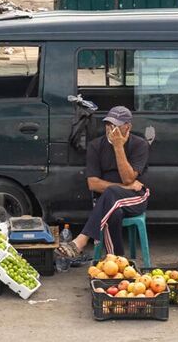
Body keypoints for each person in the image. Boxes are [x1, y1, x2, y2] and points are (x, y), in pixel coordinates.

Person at [57, 106, 150, 258]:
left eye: (116, 126)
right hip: (109, 199)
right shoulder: (95, 146)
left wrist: (118, 146)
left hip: (135, 197)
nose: (111, 129)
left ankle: (81, 240)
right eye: (108, 124)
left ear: (128, 126)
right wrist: (124, 186)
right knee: (112, 211)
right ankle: (117, 260)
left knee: (109, 195)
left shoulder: (139, 144)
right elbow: (93, 184)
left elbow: (128, 177)